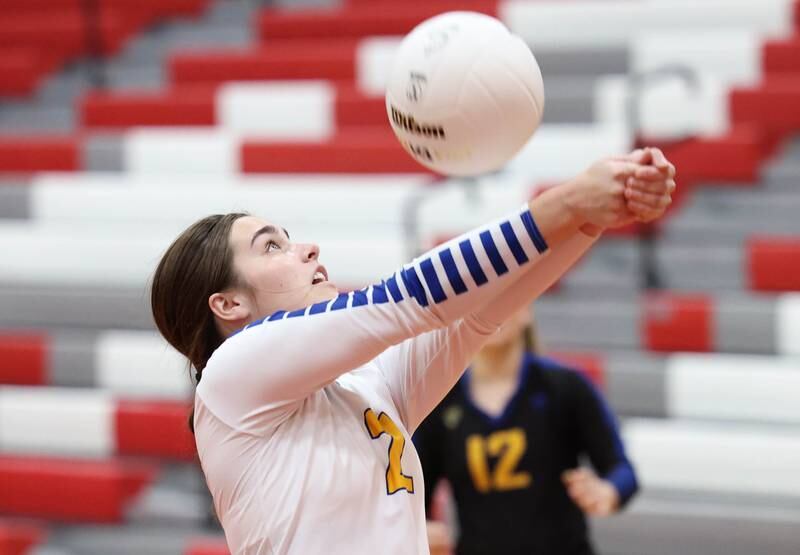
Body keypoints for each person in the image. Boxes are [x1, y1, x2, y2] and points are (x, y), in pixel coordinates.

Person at [149, 148, 675, 554]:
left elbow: (479, 313)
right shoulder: (229, 375)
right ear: (228, 303)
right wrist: (566, 203)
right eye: (272, 246)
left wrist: (598, 214)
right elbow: (407, 298)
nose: (306, 248)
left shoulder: (363, 385)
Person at [414, 306, 637, 555]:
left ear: (527, 309)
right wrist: (418, 534)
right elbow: (410, 498)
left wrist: (607, 492)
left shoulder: (565, 386)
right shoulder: (440, 403)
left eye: (507, 296)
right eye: (483, 299)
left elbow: (622, 470)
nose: (495, 307)